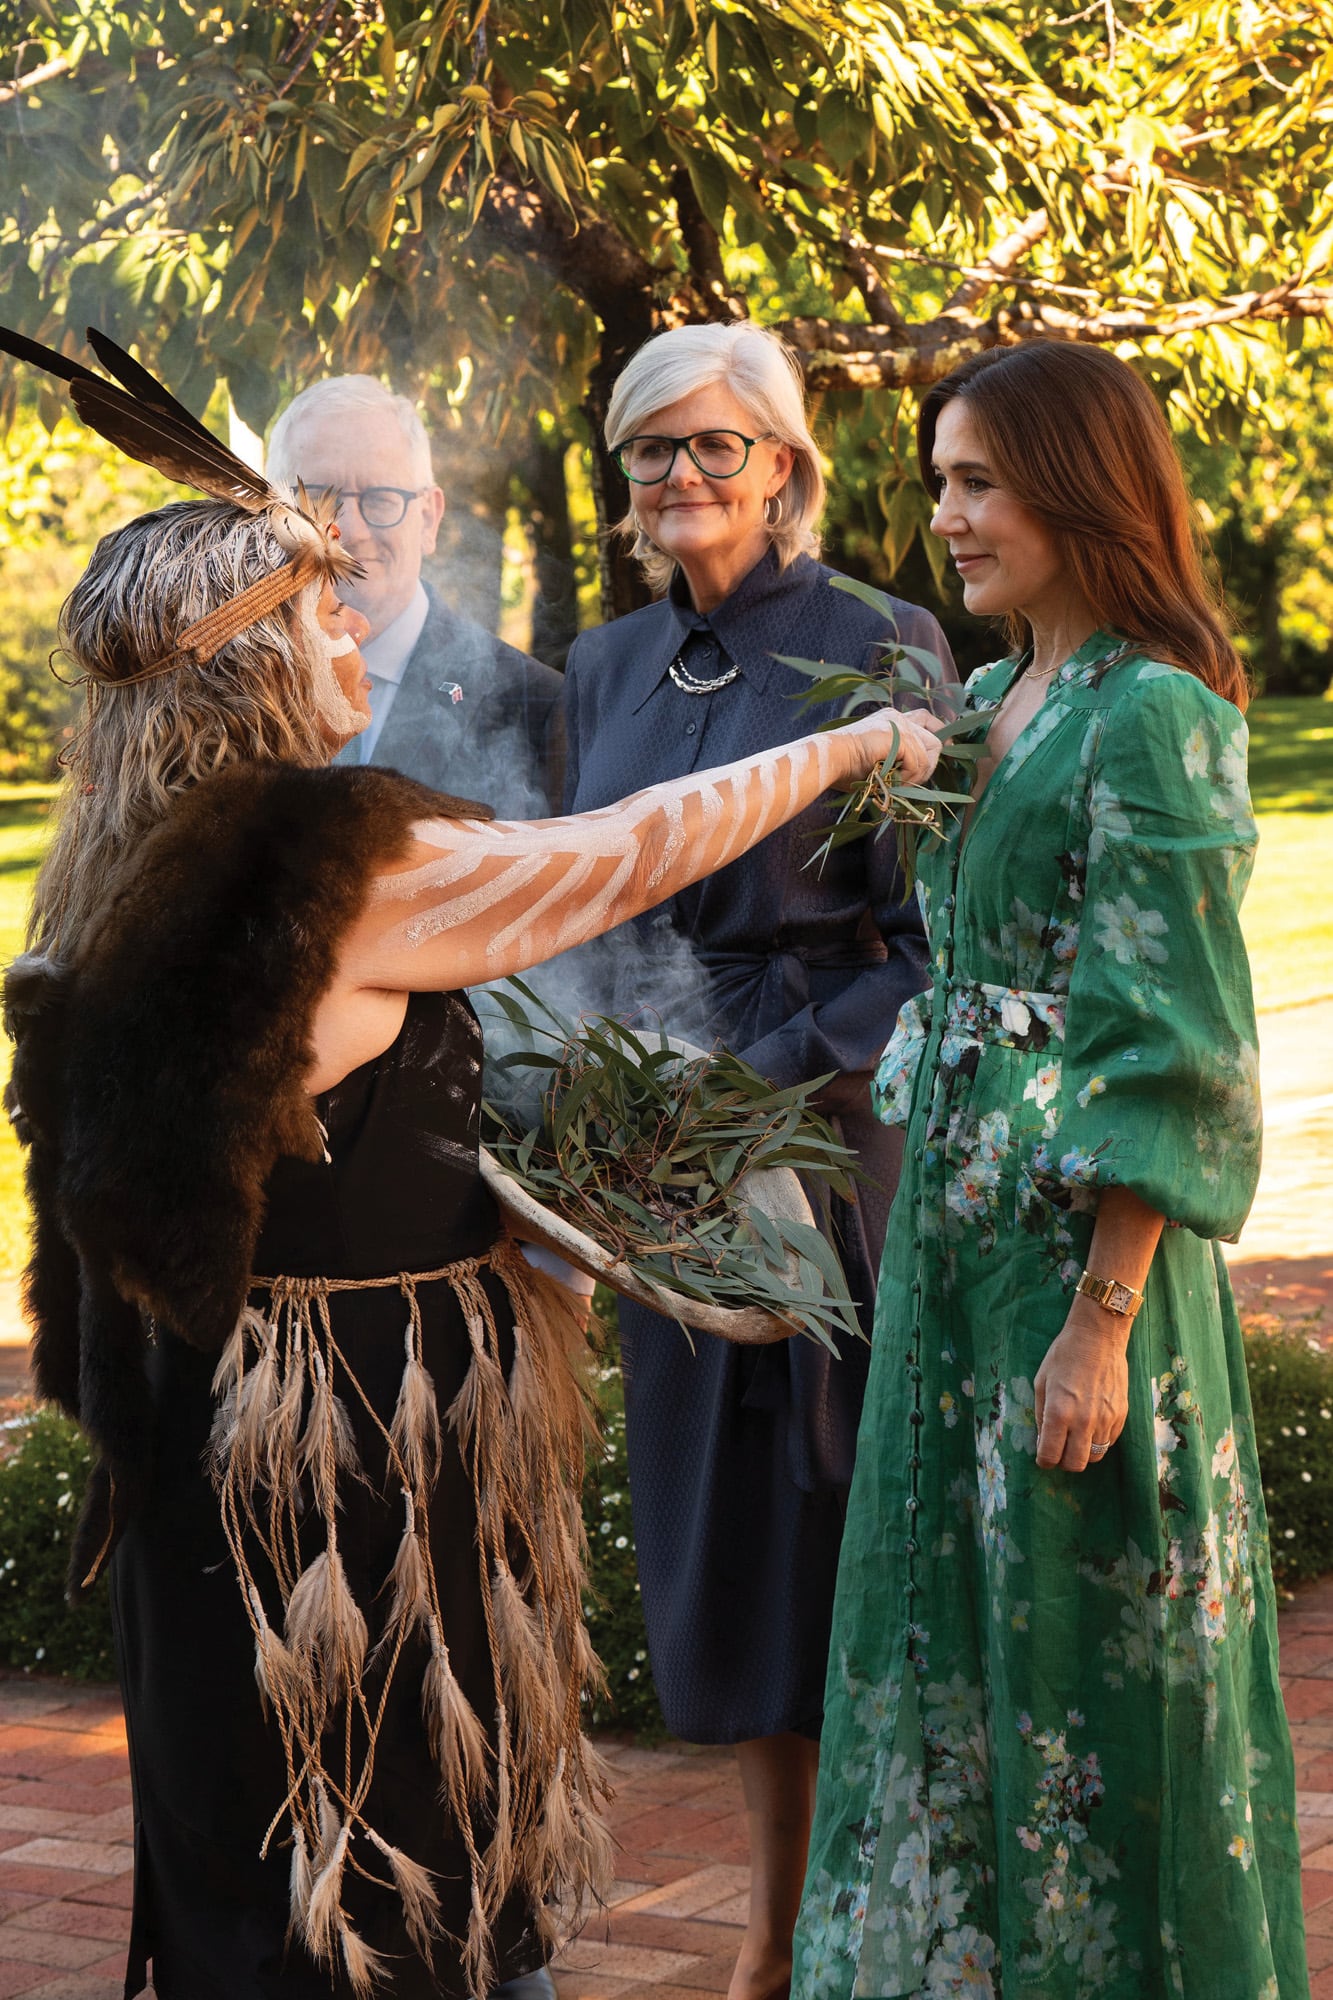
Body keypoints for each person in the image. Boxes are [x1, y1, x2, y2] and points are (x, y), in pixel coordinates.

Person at [0, 331, 940, 2000]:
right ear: (244, 668)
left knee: (257, 1845)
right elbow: (616, 856)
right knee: (381, 1857)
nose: (345, 613)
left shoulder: (122, 858)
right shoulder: (324, 866)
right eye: (309, 605)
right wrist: (854, 753)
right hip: (346, 1452)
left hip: (208, 1427)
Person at [794, 341, 1308, 1999]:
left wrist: (1100, 1320)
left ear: (1076, 489)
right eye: (936, 480)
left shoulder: (1153, 714)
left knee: (1096, 1668)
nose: (938, 515)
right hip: (949, 1253)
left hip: (1078, 1264)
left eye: (973, 482)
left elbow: (1172, 1040)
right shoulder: (988, 697)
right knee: (945, 1637)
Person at [561, 321, 956, 2000]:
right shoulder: (594, 666)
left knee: (839, 1500)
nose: (678, 478)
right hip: (659, 1136)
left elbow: (939, 933)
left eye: (712, 446)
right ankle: (773, 1917)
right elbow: (570, 898)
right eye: (649, 451)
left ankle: (893, 1904)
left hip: (831, 1121)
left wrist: (771, 1088)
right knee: (714, 1525)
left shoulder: (887, 638)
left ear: (783, 462)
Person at [266, 375, 564, 813]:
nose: (348, 532)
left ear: (428, 519)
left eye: (381, 499)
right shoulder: (225, 687)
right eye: (318, 500)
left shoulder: (536, 703)